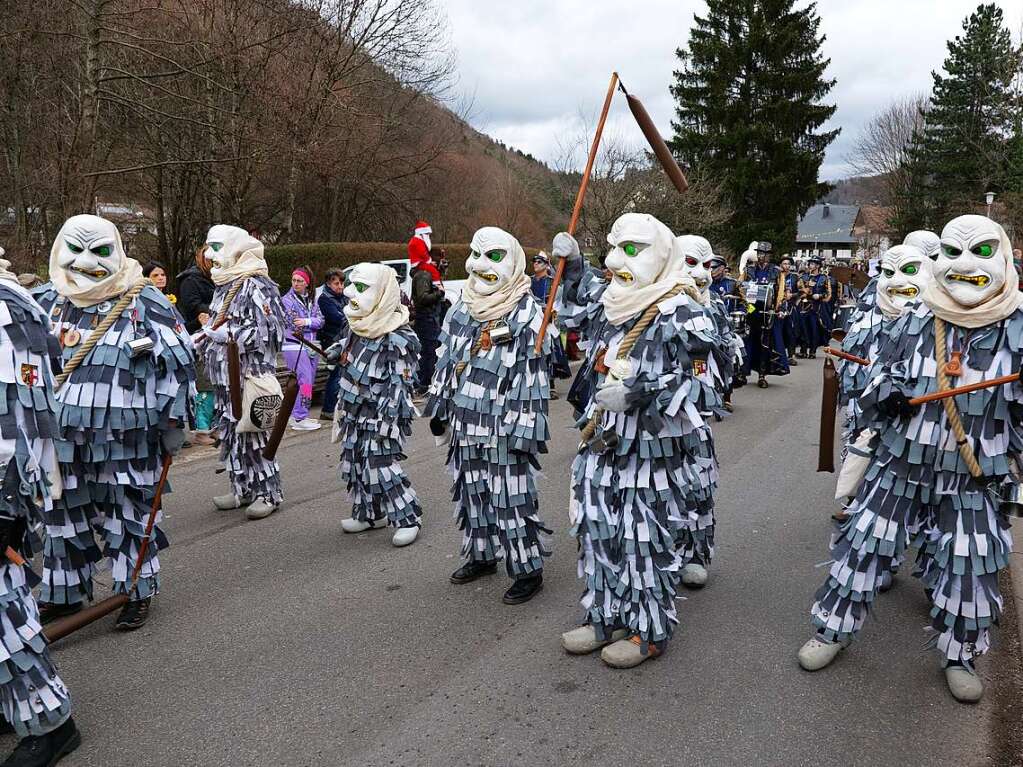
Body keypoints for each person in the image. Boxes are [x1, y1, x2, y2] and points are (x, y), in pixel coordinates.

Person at [799, 214, 1021, 704]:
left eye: (980, 252)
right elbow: (878, 379)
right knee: (862, 547)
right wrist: (889, 395)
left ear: (1003, 257)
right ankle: (831, 630)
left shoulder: (1017, 327)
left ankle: (959, 654)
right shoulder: (919, 318)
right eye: (951, 252)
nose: (963, 266)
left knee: (969, 567)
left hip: (972, 479)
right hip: (900, 465)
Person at [554, 215, 725, 669]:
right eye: (613, 248)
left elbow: (706, 385)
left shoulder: (685, 310)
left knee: (641, 539)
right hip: (600, 443)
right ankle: (603, 616)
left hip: (652, 455)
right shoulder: (612, 300)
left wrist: (639, 393)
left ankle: (647, 630)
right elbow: (570, 313)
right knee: (596, 531)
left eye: (631, 249)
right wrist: (572, 266)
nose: (615, 261)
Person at [35, 214, 195, 631]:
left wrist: (173, 422)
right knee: (62, 510)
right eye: (76, 249)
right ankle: (65, 592)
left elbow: (178, 366)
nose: (86, 262)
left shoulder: (146, 301)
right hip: (62, 435)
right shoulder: (46, 301)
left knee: (128, 511)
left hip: (129, 436)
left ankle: (136, 591)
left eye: (100, 251)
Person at [425, 226, 553, 606]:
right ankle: (481, 555)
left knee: (509, 498)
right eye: (476, 255)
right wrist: (440, 405)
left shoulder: (528, 313)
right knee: (472, 493)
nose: (480, 266)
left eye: (493, 257)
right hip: (466, 422)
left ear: (512, 261)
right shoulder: (462, 306)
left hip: (505, 426)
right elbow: (447, 359)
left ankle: (528, 569)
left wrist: (523, 428)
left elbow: (531, 377)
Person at [0, 258, 82, 766]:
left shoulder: (8, 311)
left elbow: (24, 416)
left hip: (0, 487)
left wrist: (8, 503)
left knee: (3, 608)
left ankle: (52, 722)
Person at [833, 244, 932, 534]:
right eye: (889, 272)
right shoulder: (869, 310)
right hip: (865, 404)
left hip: (912, 414)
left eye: (910, 271)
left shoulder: (935, 321)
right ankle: (857, 507)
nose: (899, 281)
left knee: (901, 476)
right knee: (861, 455)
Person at [326, 263, 422, 547]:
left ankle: (408, 518)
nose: (351, 293)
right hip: (353, 411)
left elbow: (400, 384)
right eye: (351, 285)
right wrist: (336, 351)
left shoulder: (398, 336)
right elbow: (346, 348)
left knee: (380, 464)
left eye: (362, 288)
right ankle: (369, 513)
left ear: (382, 293)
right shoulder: (355, 325)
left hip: (381, 414)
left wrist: (388, 420)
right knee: (354, 463)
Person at [201, 224, 287, 520]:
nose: (210, 254)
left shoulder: (256, 283)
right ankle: (242, 487)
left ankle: (268, 491)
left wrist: (232, 335)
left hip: (250, 374)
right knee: (230, 433)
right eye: (209, 246)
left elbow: (274, 331)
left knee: (255, 435)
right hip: (225, 378)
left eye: (216, 247)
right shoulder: (224, 284)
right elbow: (216, 325)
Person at [177, 247, 217, 445]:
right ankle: (202, 429)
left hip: (214, 334)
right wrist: (211, 312)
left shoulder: (213, 278)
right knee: (204, 383)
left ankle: (214, 425)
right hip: (198, 335)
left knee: (216, 382)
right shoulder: (191, 280)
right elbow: (192, 304)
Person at [282, 266, 324, 431]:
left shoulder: (312, 300)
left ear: (307, 283)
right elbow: (293, 322)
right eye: (294, 280)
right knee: (304, 380)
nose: (296, 283)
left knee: (308, 382)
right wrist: (310, 322)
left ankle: (300, 414)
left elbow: (321, 320)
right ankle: (299, 417)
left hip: (311, 345)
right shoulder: (286, 300)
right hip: (294, 345)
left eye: (300, 281)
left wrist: (307, 322)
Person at [741, 244, 789, 387]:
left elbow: (781, 292)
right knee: (746, 342)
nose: (762, 256)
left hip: (767, 312)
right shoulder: (748, 269)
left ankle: (762, 375)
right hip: (751, 310)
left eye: (766, 253)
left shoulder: (777, 271)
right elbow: (740, 287)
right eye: (760, 253)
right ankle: (743, 372)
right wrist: (744, 305)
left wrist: (778, 307)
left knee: (765, 344)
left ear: (770, 255)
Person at [409, 222, 446, 397]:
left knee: (431, 351)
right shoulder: (424, 275)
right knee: (428, 352)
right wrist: (439, 294)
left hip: (430, 318)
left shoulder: (427, 273)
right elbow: (423, 298)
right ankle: (424, 383)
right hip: (426, 319)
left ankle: (426, 381)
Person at [530, 252, 572, 398]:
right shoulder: (527, 282)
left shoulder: (554, 284)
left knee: (549, 354)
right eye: (534, 261)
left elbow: (558, 304)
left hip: (548, 324)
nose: (535, 264)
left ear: (547, 265)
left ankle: (550, 386)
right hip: (531, 322)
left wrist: (550, 313)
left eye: (539, 262)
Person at [317, 267, 348, 421]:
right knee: (336, 373)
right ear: (329, 284)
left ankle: (337, 406)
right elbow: (339, 318)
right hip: (331, 342)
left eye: (342, 283)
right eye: (336, 284)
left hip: (344, 339)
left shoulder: (343, 298)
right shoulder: (324, 299)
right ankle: (328, 409)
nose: (340, 287)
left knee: (342, 373)